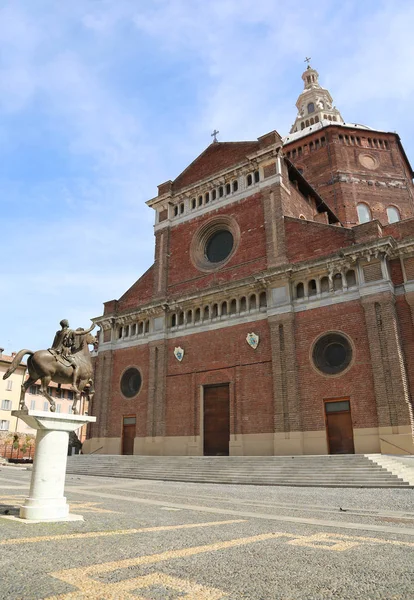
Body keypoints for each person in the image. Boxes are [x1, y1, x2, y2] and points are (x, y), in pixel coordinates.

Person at [50, 319, 78, 387]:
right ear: (66, 324)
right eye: (67, 322)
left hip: (56, 350)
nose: (68, 323)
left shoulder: (58, 332)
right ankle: (74, 384)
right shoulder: (69, 331)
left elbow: (54, 342)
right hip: (65, 352)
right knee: (76, 366)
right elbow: (73, 344)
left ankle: (59, 386)